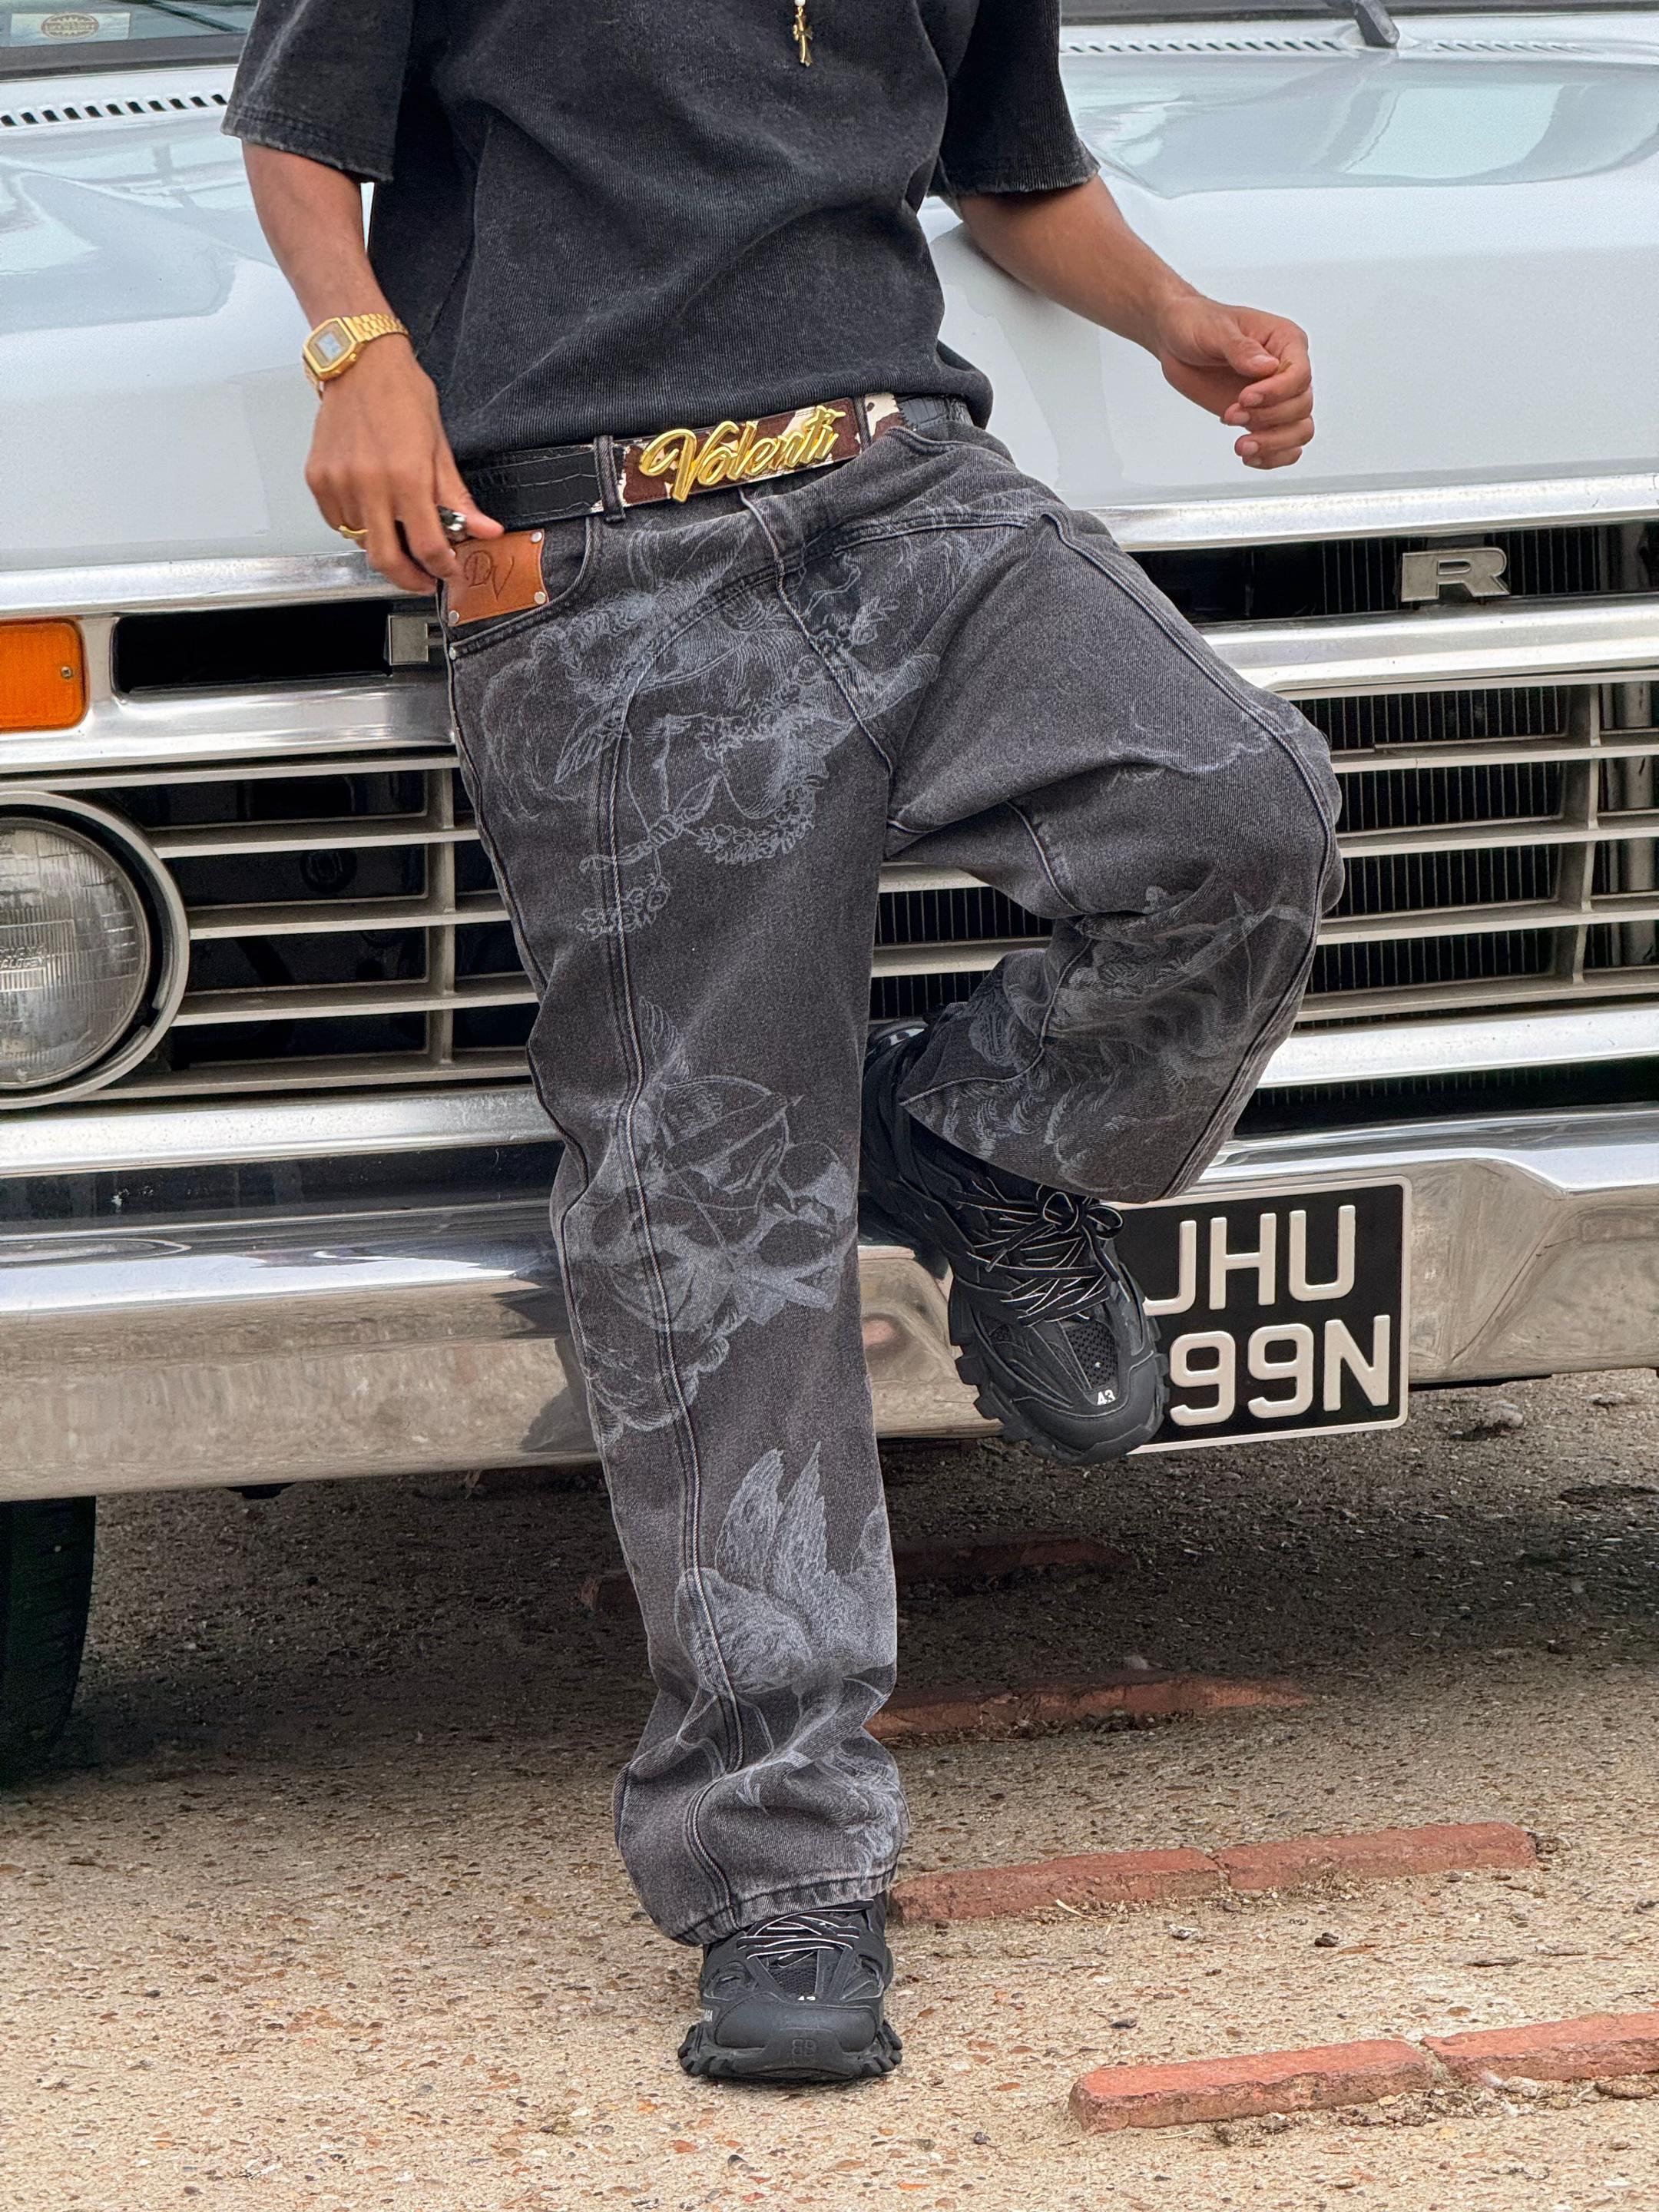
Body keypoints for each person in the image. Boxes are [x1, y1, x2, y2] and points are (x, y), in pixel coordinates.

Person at [227, 0, 1343, 2087]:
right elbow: (300, 127)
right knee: (713, 1209)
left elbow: (1009, 168)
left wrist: (1180, 320)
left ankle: (978, 1143)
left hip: (915, 497)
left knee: (1237, 814)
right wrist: (356, 348)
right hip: (600, 552)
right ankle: (778, 1864)